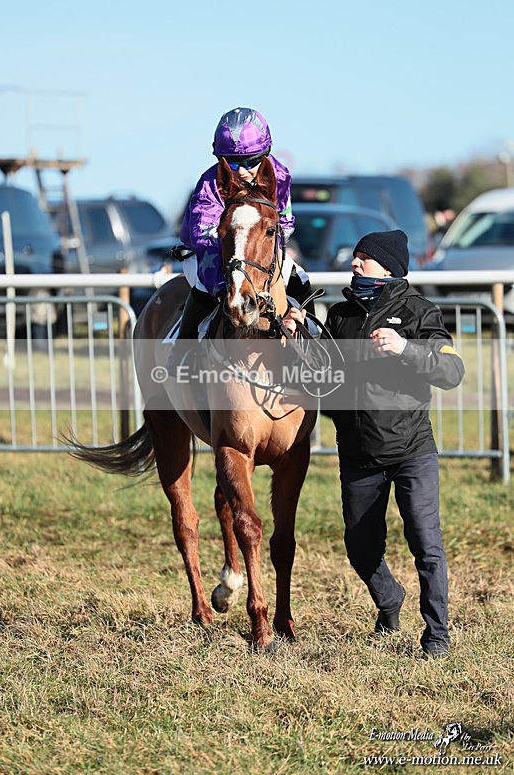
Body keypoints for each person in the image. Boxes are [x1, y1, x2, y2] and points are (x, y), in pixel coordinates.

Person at [324, 229, 465, 659]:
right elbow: (318, 372)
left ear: (388, 268)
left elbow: (451, 372)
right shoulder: (339, 315)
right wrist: (297, 337)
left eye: (363, 258)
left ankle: (436, 636)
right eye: (354, 256)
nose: (354, 264)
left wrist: (405, 348)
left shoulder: (421, 312)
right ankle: (389, 599)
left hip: (411, 451)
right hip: (358, 454)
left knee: (426, 542)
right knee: (360, 548)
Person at [176, 106, 313, 340]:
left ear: (266, 154)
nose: (241, 171)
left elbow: (285, 224)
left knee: (299, 278)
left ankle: (311, 338)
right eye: (231, 162)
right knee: (204, 285)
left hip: (259, 250)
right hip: (210, 252)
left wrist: (258, 254)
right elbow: (203, 236)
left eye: (250, 162)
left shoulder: (279, 176)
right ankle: (182, 347)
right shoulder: (210, 184)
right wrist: (236, 262)